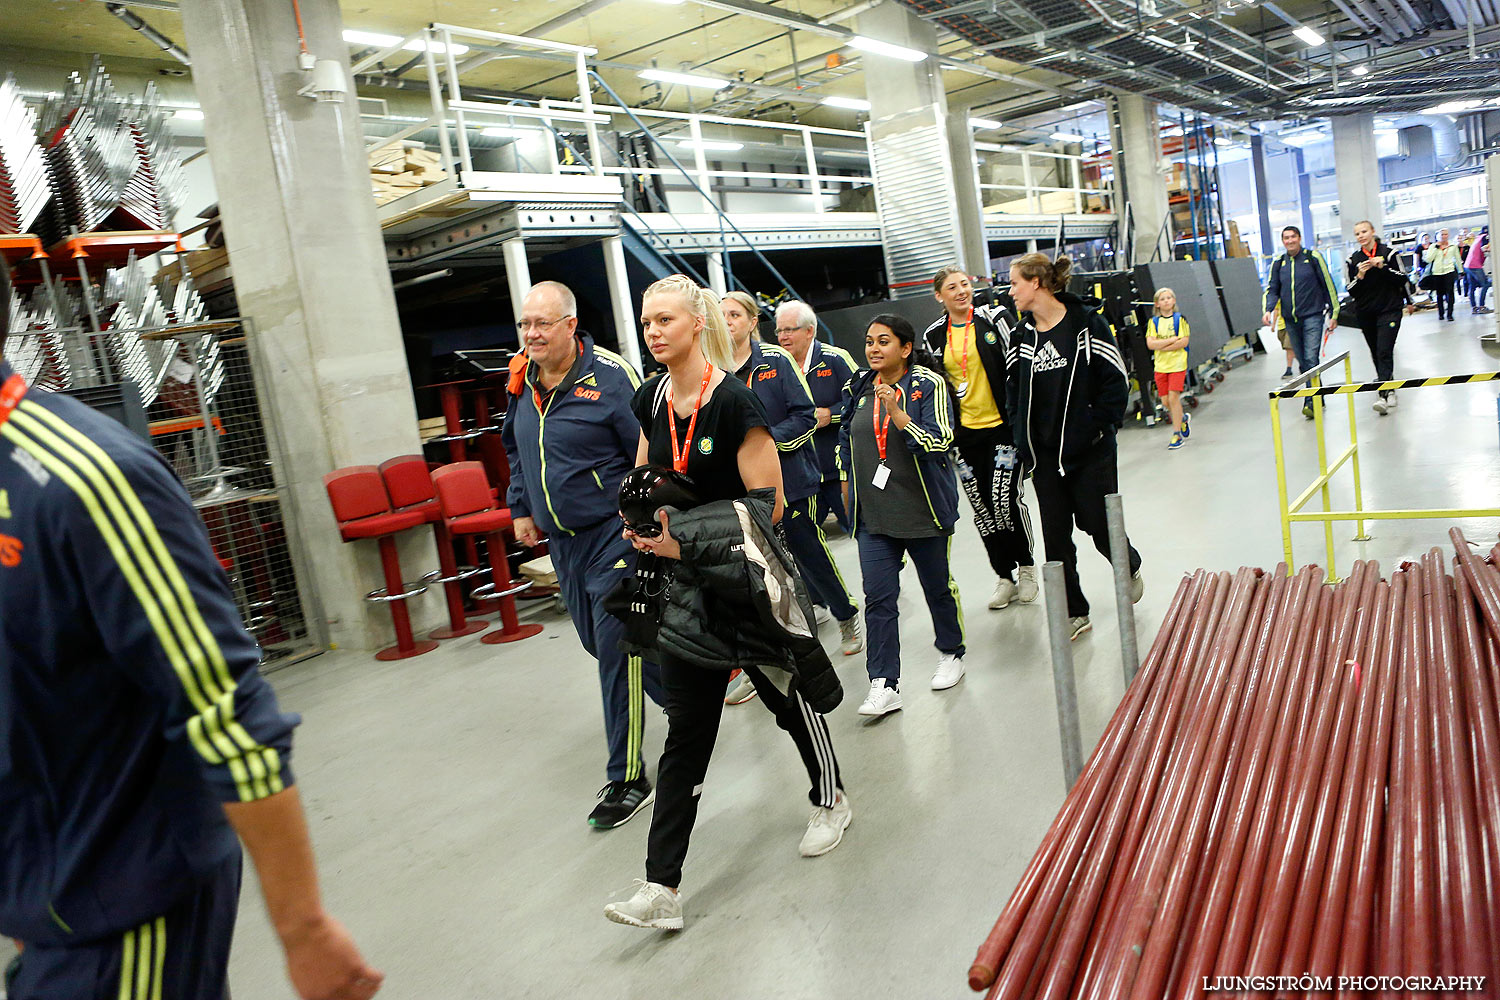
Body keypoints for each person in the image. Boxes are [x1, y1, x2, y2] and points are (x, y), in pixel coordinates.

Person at [0, 261, 381, 1000]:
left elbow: (226, 709)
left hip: (126, 908)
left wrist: (302, 927)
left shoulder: (90, 477)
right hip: (43, 902)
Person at [603, 274, 851, 933]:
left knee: (788, 700)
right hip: (688, 595)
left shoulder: (735, 402)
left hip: (745, 587)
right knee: (686, 733)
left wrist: (682, 541)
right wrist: (640, 520)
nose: (654, 330)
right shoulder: (650, 397)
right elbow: (645, 477)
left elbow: (765, 511)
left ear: (696, 324)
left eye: (665, 319)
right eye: (646, 319)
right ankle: (662, 887)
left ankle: (832, 799)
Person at [502, 281, 664, 829]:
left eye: (542, 324)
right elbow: (516, 447)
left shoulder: (611, 377)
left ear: (570, 325)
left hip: (614, 535)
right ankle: (696, 685)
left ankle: (627, 776)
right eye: (526, 324)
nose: (531, 334)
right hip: (562, 544)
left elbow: (649, 448)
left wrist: (641, 519)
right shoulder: (521, 377)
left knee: (618, 650)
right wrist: (520, 505)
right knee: (601, 644)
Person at [718, 294, 862, 712]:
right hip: (741, 490)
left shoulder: (776, 363)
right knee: (752, 574)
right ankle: (760, 662)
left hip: (790, 483)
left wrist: (763, 444)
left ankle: (846, 613)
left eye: (734, 315)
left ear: (751, 322)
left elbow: (804, 415)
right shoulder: (715, 372)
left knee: (808, 553)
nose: (726, 322)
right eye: (721, 315)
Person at [1005, 253, 1143, 641]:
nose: (1011, 291)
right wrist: (1023, 441)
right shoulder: (1020, 337)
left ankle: (1127, 564)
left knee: (1097, 523)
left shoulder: (1087, 323)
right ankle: (1074, 611)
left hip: (1090, 450)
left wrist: (1097, 427)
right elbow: (1014, 393)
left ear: (1036, 283)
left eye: (1015, 282)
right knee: (1056, 537)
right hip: (1045, 457)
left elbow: (1115, 379)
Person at [838, 314, 965, 715]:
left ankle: (951, 652)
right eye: (869, 341)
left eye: (884, 342)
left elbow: (941, 439)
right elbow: (845, 438)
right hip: (873, 517)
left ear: (905, 348)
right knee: (878, 597)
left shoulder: (927, 385)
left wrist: (898, 415)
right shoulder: (857, 385)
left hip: (922, 511)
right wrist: (846, 487)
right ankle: (884, 682)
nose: (874, 349)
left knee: (937, 588)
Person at [923, 266, 1037, 611]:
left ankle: (1026, 566)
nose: (961, 291)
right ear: (939, 296)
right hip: (964, 436)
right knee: (983, 510)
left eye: (964, 284)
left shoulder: (994, 317)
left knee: (1004, 501)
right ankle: (1003, 576)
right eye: (952, 288)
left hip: (1001, 428)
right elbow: (937, 383)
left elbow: (1016, 365)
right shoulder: (934, 334)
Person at [772, 299, 860, 535]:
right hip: (802, 478)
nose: (782, 337)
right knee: (803, 542)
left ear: (809, 331)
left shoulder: (835, 359)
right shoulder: (777, 366)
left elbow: (863, 401)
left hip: (837, 471)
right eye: (779, 330)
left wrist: (831, 414)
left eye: (789, 330)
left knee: (861, 532)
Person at [1263, 225, 1339, 420]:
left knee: (1311, 358)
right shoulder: (1279, 263)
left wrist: (1334, 312)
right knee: (1304, 362)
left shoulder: (1313, 258)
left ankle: (1310, 401)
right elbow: (1272, 289)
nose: (1290, 241)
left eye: (1293, 237)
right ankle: (1318, 396)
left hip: (1313, 315)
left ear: (1299, 238)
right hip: (1291, 320)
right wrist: (1269, 309)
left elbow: (1327, 284)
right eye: (1286, 238)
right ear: (1283, 241)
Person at [1345, 221, 1416, 416]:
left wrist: (1382, 266)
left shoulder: (1389, 253)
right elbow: (1350, 290)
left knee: (1385, 350)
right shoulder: (1353, 260)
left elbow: (1403, 278)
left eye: (1364, 231)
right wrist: (1360, 274)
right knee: (1376, 352)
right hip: (1366, 313)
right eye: (1357, 233)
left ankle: (1383, 395)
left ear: (1373, 232)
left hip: (1389, 310)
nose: (1361, 236)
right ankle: (1390, 386)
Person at [1144, 286, 1191, 450]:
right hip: (1161, 366)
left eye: (1169, 298)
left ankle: (1177, 434)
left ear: (1174, 301)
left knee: (1173, 398)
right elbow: (1150, 344)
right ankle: (1182, 418)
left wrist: (1161, 345)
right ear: (1157, 304)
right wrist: (1170, 341)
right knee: (1165, 401)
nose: (1166, 301)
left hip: (1177, 364)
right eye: (1162, 299)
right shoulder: (1153, 322)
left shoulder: (1180, 319)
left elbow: (1183, 341)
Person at [1424, 229, 1462, 322]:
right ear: (1438, 236)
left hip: (1449, 271)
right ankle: (1441, 313)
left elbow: (1457, 258)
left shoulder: (1452, 246)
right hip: (1437, 272)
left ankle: (1450, 314)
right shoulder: (1433, 246)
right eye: (1442, 234)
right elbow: (1428, 259)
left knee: (1450, 293)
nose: (1444, 236)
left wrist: (1461, 270)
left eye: (1445, 234)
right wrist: (1436, 248)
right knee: (1439, 294)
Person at [1465, 226, 1491, 315]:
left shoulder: (1478, 237)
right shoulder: (1485, 237)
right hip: (1475, 265)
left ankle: (1474, 308)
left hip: (1468, 265)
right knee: (1486, 284)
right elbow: (1484, 248)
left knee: (1472, 287)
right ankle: (1482, 306)